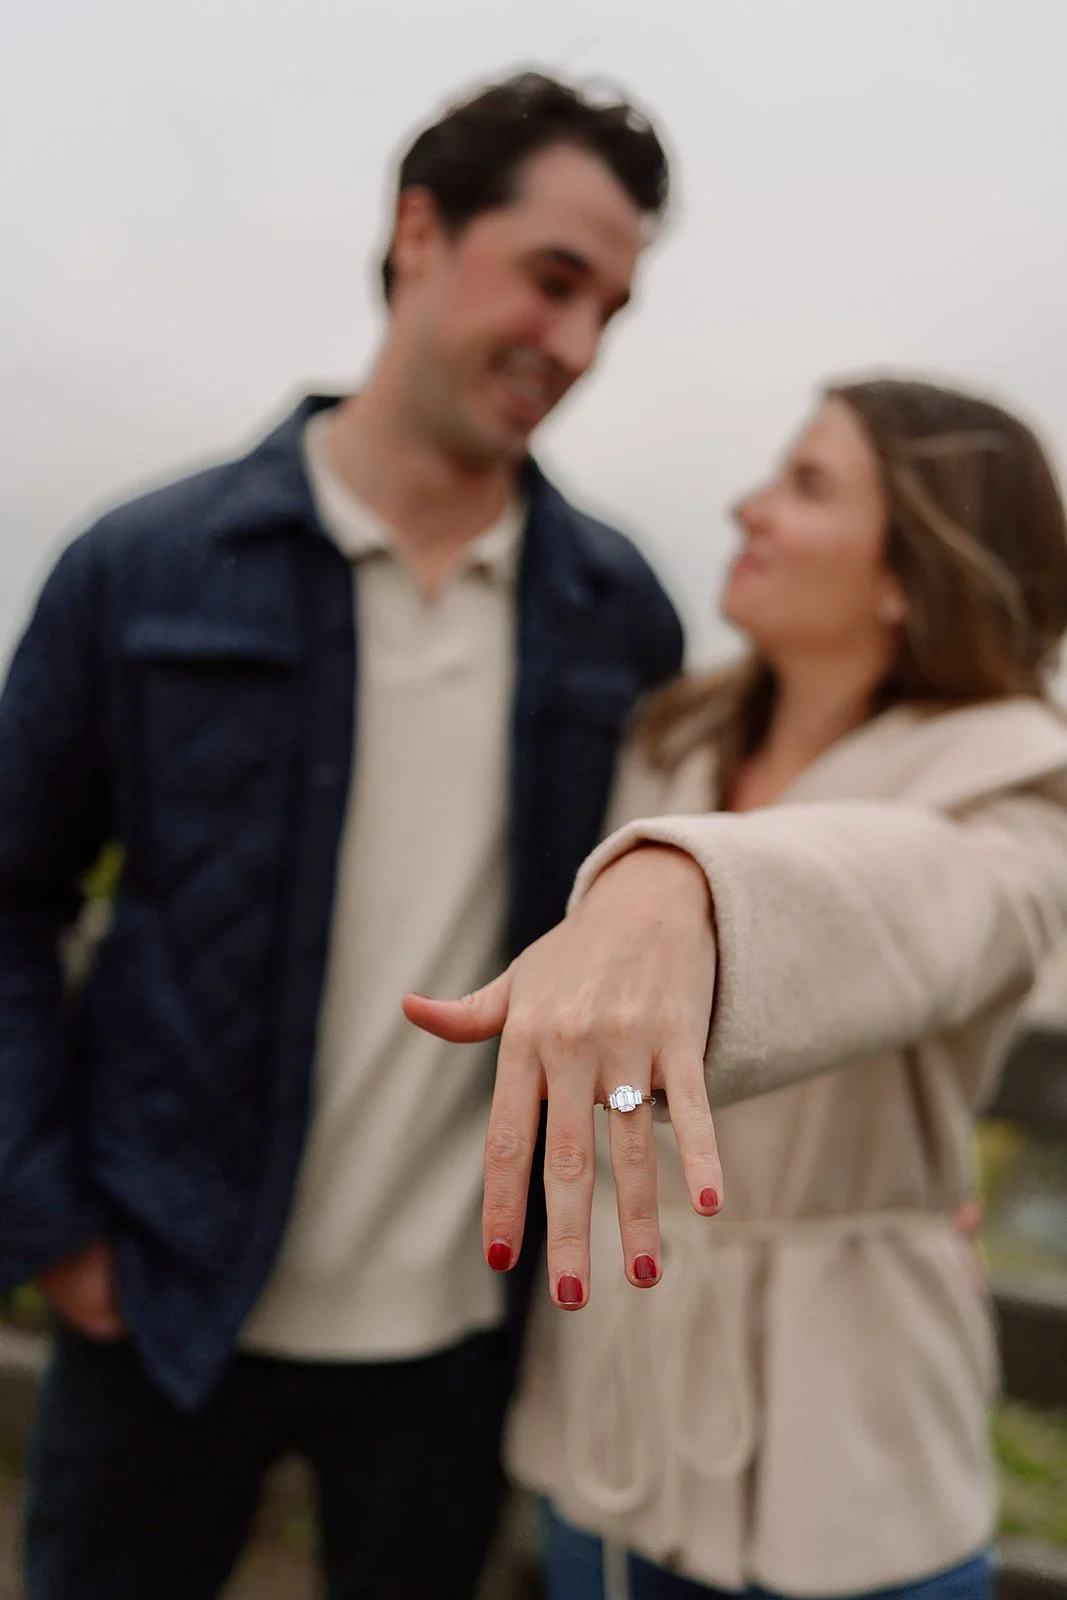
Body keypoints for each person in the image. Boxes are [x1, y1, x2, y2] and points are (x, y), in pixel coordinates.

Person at [0, 71, 683, 1600]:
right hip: (159, 1310)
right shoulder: (143, 565)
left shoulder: (615, 610)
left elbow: (674, 920)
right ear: (420, 229)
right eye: (553, 280)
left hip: (455, 1338)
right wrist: (47, 1222)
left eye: (609, 312)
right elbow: (9, 895)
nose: (572, 347)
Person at [407, 378, 1067, 1599]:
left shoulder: (1020, 775)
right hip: (612, 1402)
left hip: (855, 1443)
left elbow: (931, 898)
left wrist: (687, 882)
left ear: (904, 571)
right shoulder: (668, 738)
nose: (745, 507)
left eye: (805, 484)